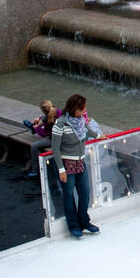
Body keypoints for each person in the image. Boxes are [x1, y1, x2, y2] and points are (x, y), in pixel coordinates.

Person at [50, 95, 102, 237]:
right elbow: (55, 148)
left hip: (80, 162)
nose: (85, 110)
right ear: (75, 109)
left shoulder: (80, 121)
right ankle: (73, 225)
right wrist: (61, 170)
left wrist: (99, 136)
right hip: (67, 165)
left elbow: (87, 131)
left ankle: (84, 221)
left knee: (85, 193)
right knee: (68, 196)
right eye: (82, 108)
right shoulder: (60, 124)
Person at [23, 98, 59, 179]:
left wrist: (37, 128)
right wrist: (39, 119)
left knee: (34, 146)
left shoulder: (49, 121)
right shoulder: (58, 111)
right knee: (42, 120)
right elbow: (46, 116)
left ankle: (36, 171)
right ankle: (33, 127)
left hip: (55, 140)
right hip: (61, 137)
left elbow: (44, 133)